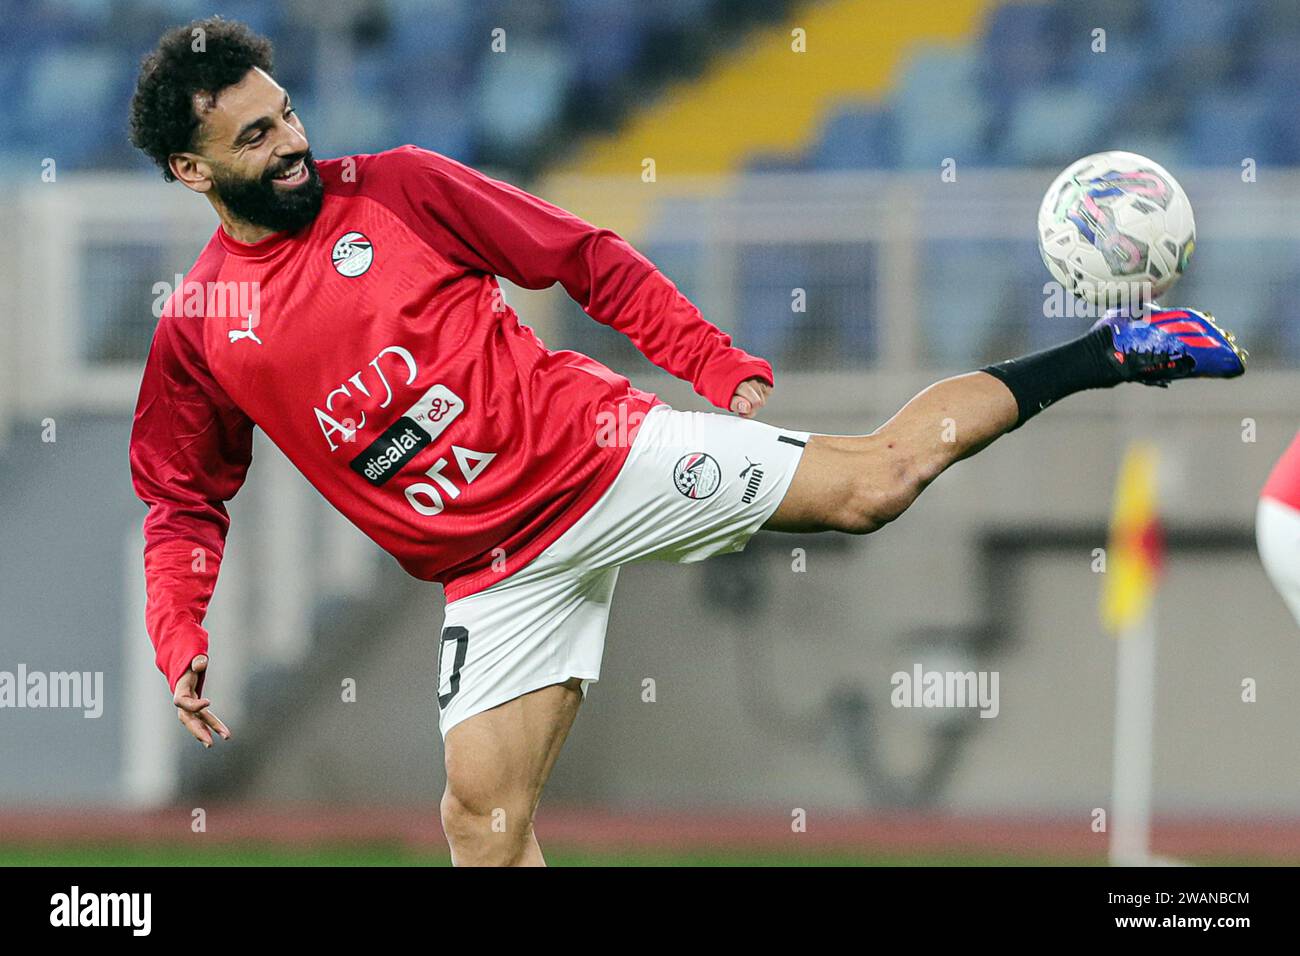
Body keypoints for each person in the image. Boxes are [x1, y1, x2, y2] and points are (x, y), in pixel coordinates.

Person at [127, 17, 1248, 865]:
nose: (294, 144)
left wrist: (708, 360)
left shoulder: (403, 190)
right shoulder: (203, 325)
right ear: (190, 170)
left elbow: (584, 256)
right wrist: (178, 625)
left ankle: (1114, 348)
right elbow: (182, 493)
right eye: (256, 135)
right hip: (493, 571)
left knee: (873, 485)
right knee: (480, 824)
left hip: (603, 457)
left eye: (287, 115)